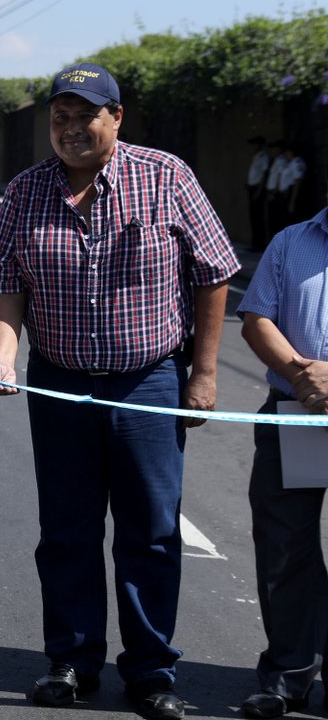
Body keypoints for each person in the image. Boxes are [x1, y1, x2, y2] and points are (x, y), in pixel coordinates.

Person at [0, 63, 240, 720]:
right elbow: (8, 282)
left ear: (116, 117)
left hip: (148, 379)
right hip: (62, 383)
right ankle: (72, 659)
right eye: (59, 117)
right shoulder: (25, 191)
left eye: (85, 116)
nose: (70, 129)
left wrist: (204, 373)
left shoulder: (166, 176)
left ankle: (151, 670)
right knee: (66, 528)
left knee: (150, 530)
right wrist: (4, 354)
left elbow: (213, 273)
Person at [236, 203, 328, 719]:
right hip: (295, 412)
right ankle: (287, 676)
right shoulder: (293, 240)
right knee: (284, 548)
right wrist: (302, 375)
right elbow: (256, 319)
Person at [246, 136, 270, 251]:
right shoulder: (255, 157)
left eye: (255, 144)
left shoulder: (263, 157)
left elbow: (264, 175)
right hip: (252, 188)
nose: (253, 147)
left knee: (258, 217)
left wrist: (259, 191)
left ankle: (259, 244)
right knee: (253, 217)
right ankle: (255, 243)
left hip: (257, 189)